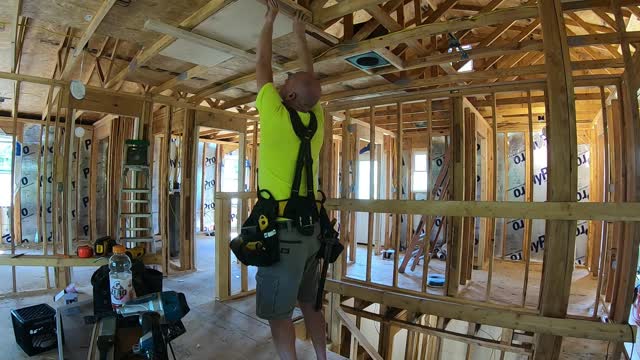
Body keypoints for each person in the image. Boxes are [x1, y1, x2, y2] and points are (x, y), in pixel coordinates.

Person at [254, 1, 326, 360]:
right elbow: (308, 78)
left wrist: (269, 20)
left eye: (288, 82)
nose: (282, 79)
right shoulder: (317, 123)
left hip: (284, 233)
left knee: (278, 314)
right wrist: (299, 35)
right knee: (310, 304)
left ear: (291, 96)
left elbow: (263, 66)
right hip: (311, 231)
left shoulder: (276, 115)